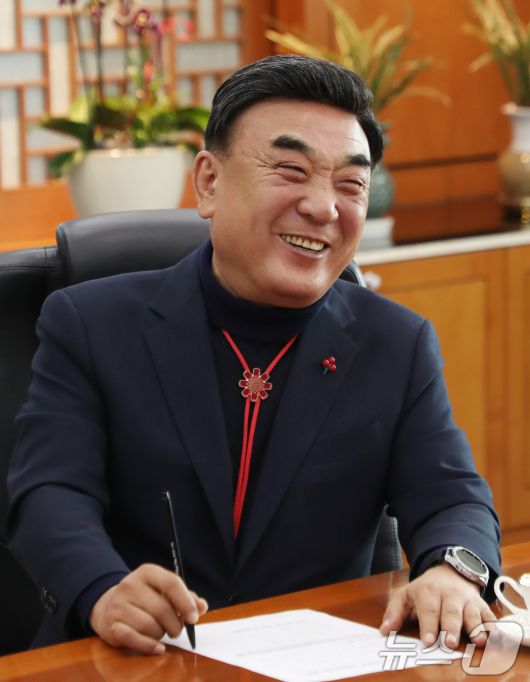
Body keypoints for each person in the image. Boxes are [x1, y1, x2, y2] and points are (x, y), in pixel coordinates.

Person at [7, 54, 500, 656]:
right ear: (209, 182)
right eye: (291, 170)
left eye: (350, 184)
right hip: (132, 657)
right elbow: (50, 491)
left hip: (317, 656)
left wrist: (453, 569)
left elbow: (451, 494)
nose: (323, 207)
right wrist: (102, 588)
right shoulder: (90, 323)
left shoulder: (396, 342)